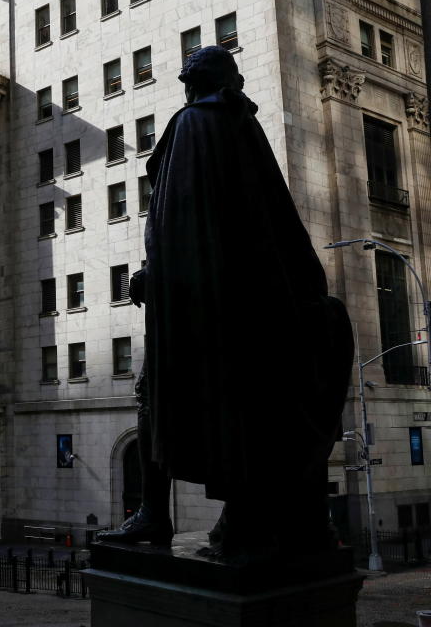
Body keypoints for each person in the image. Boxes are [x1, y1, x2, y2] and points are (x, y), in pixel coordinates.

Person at [97, 46, 353, 560]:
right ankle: (239, 519)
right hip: (250, 302)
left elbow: (185, 219)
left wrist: (157, 276)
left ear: (191, 83)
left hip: (203, 308)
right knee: (240, 411)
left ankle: (155, 515)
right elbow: (257, 220)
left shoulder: (195, 124)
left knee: (154, 398)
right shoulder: (241, 127)